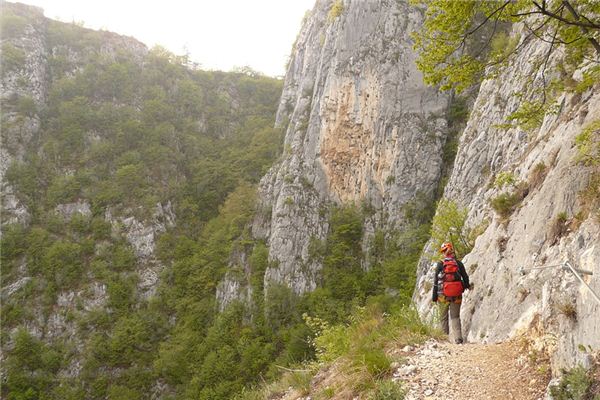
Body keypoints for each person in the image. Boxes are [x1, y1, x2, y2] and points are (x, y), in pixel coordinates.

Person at [432, 242, 470, 344]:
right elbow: (465, 277)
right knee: (455, 317)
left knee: (443, 318)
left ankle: (444, 341)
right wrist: (466, 286)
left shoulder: (440, 264)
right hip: (456, 295)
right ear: (452, 250)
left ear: (443, 252)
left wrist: (434, 296)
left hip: (442, 296)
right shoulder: (458, 263)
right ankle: (458, 339)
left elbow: (436, 281)